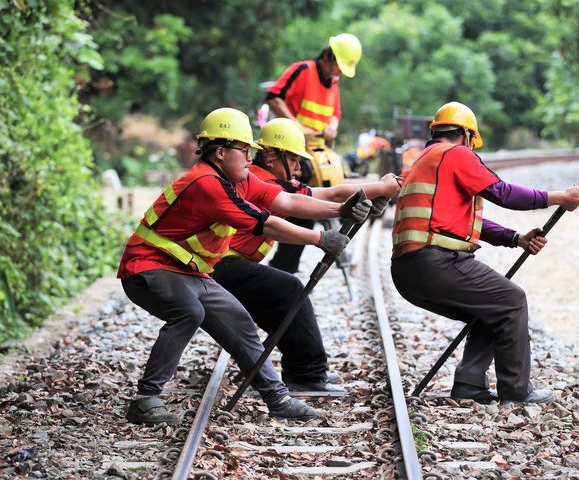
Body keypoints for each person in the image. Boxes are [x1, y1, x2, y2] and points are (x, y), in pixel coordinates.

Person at [117, 108, 372, 425]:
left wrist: (340, 209)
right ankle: (146, 399)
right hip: (148, 265)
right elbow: (266, 225)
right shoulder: (206, 184)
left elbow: (288, 202)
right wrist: (320, 238)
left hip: (186, 270)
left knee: (239, 320)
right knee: (189, 311)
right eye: (244, 150)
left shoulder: (238, 180)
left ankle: (278, 399)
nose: (250, 158)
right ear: (221, 152)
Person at [390, 102, 579, 404]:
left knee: (490, 306)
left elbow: (461, 222)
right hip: (434, 261)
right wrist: (559, 197)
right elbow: (503, 192)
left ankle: (469, 384)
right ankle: (517, 392)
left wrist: (515, 238)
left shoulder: (422, 161)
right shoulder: (456, 154)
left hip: (407, 270)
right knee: (512, 301)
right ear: (467, 136)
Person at [212, 118, 400, 392]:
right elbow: (334, 195)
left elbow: (327, 194)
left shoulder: (267, 180)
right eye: (294, 159)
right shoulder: (265, 183)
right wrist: (381, 188)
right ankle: (307, 374)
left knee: (283, 295)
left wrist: (374, 190)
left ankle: (303, 368)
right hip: (220, 264)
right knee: (288, 290)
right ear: (271, 155)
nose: (301, 167)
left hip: (226, 264)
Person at [265, 33, 362, 274]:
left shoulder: (333, 84)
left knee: (308, 208)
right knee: (300, 209)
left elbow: (335, 113)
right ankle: (283, 267)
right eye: (339, 67)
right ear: (328, 56)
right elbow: (274, 97)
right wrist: (295, 126)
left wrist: (333, 127)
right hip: (292, 153)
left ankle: (285, 266)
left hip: (317, 155)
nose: (339, 73)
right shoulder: (302, 71)